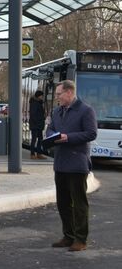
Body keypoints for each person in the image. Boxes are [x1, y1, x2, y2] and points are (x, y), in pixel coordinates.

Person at [46, 80, 97, 252]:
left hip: (77, 164)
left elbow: (91, 133)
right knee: (63, 203)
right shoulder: (56, 111)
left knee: (79, 204)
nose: (57, 97)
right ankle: (68, 236)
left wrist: (68, 137)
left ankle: (80, 239)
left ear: (69, 92)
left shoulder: (86, 110)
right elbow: (50, 129)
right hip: (60, 163)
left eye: (59, 94)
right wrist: (51, 137)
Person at [29, 90, 47, 159]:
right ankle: (32, 154)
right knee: (34, 139)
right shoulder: (34, 103)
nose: (42, 97)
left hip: (39, 124)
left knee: (40, 139)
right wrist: (38, 122)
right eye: (42, 95)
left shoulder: (39, 103)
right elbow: (33, 114)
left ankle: (39, 153)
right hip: (35, 125)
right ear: (39, 96)